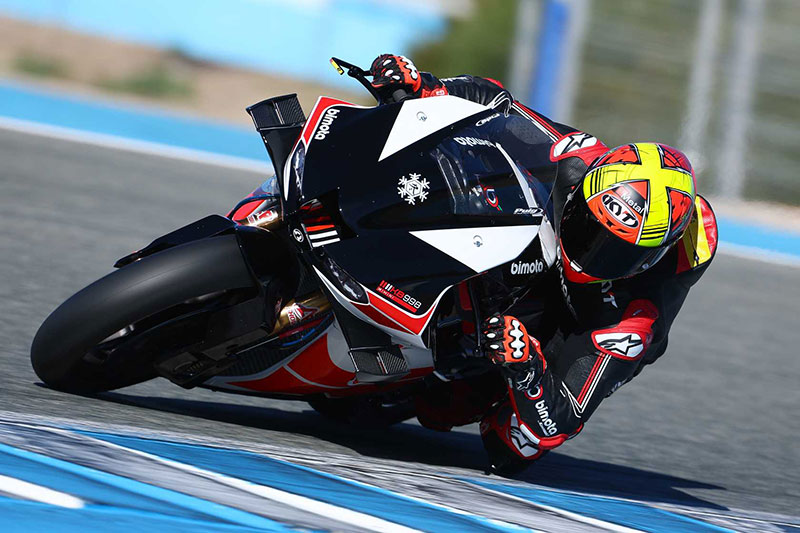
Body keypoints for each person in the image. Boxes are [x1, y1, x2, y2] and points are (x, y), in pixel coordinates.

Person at [368, 54, 719, 473]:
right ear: (588, 187)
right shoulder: (579, 158)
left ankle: (454, 373)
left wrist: (527, 367)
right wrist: (424, 86)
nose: (592, 255)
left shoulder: (634, 321)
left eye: (617, 253)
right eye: (590, 229)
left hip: (578, 322)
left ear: (649, 260)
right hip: (529, 255)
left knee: (514, 444)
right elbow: (497, 106)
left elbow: (560, 419)